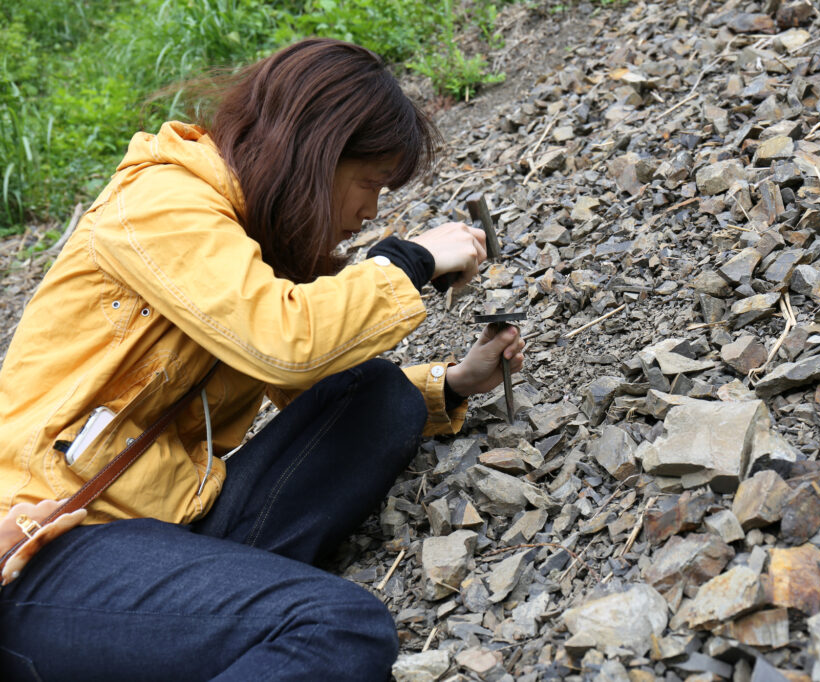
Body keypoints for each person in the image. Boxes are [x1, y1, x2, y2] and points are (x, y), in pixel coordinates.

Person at [0, 38, 524, 681]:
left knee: (377, 396)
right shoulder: (162, 202)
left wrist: (453, 383)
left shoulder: (249, 238)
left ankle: (207, 618)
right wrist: (410, 261)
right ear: (315, 154)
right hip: (48, 545)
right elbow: (281, 345)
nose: (370, 212)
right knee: (335, 627)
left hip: (170, 519)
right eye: (368, 183)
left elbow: (311, 384)